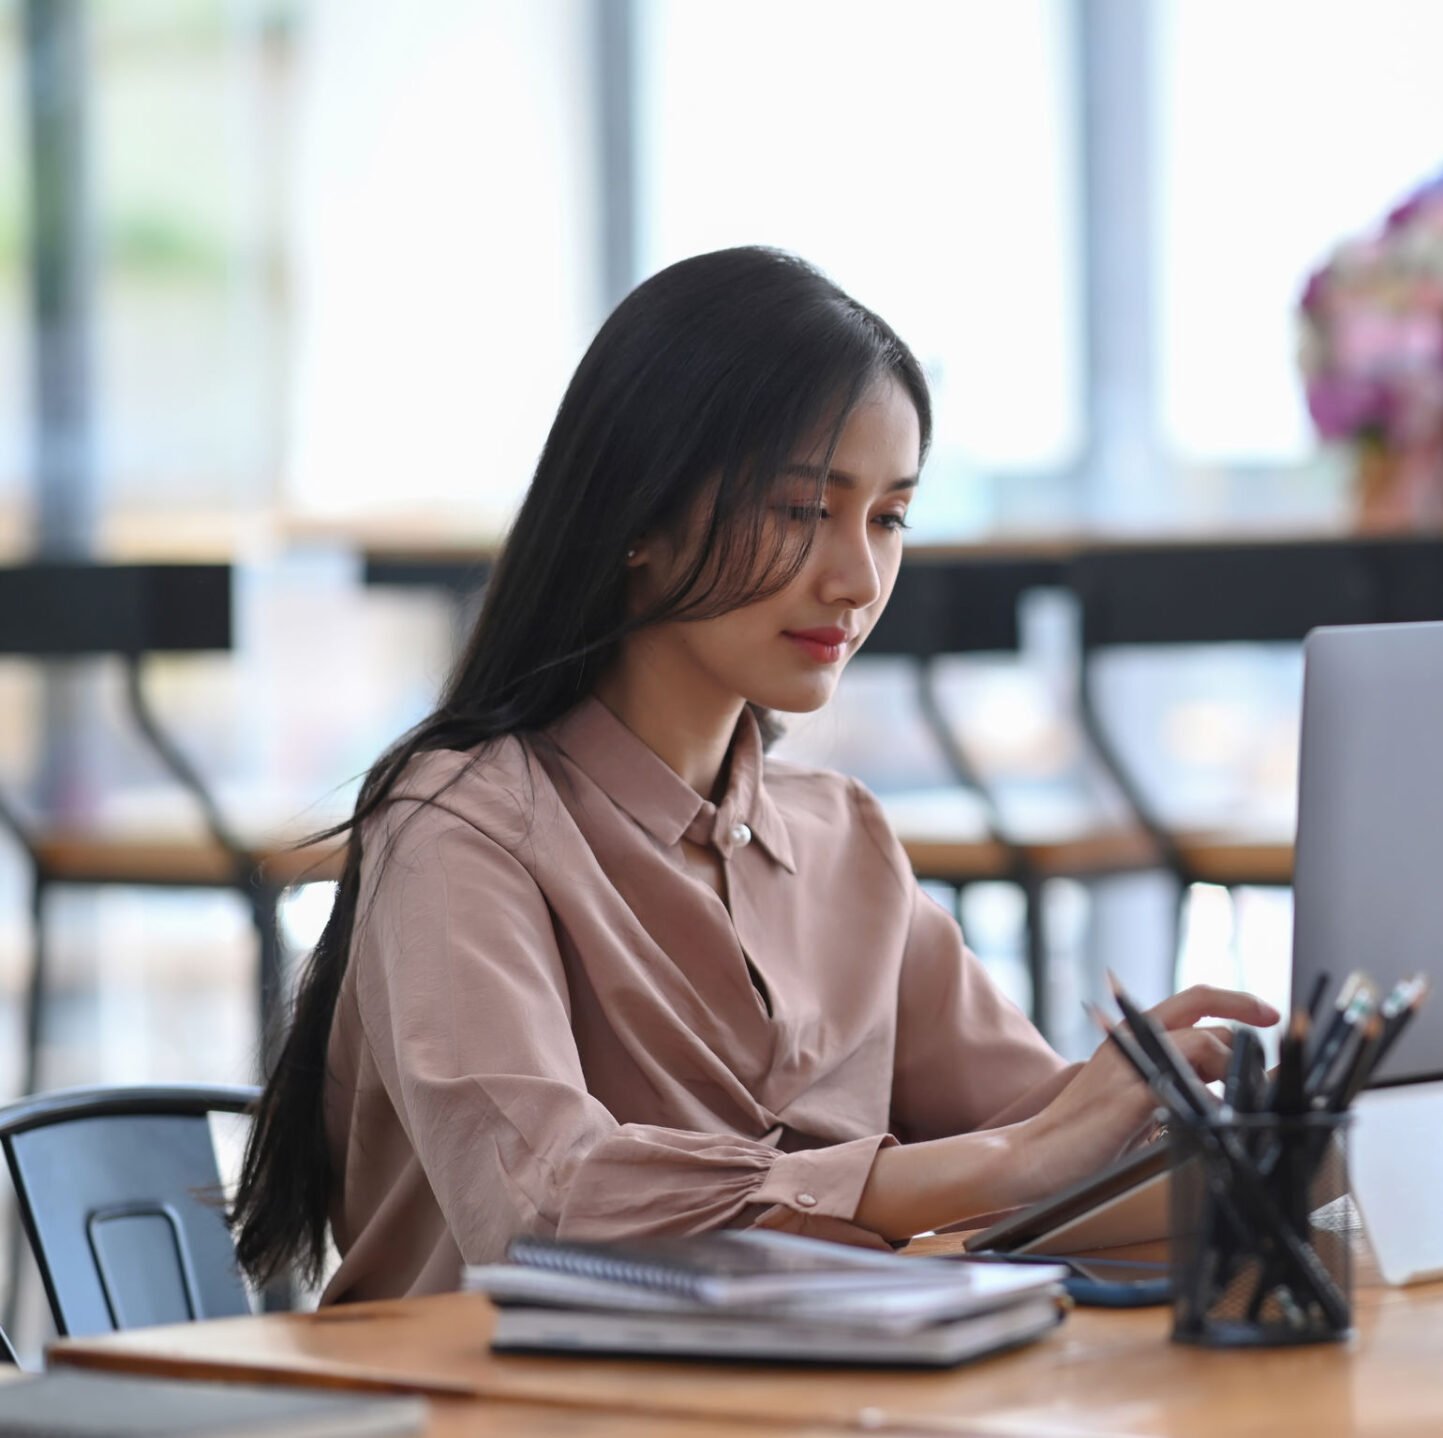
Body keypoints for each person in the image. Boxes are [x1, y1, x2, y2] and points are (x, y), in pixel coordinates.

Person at [230, 247, 1274, 1300]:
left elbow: (1054, 1143)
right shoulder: (462, 823)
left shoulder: (843, 840)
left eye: (888, 516)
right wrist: (1003, 1165)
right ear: (639, 516)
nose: (857, 578)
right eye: (800, 510)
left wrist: (1268, 1126)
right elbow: (542, 1205)